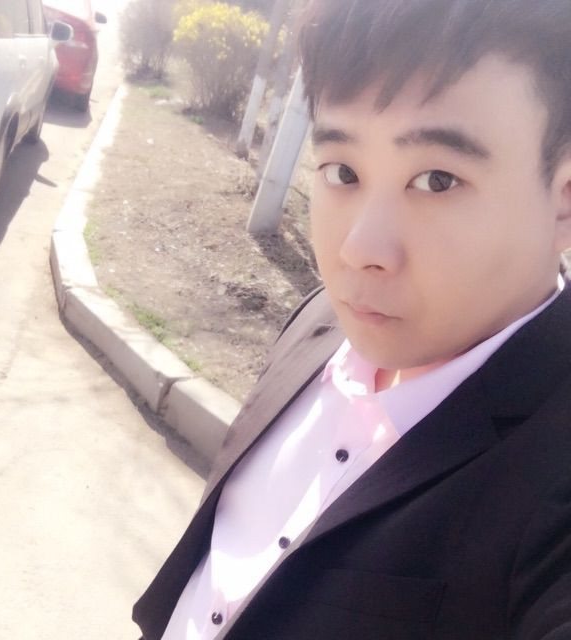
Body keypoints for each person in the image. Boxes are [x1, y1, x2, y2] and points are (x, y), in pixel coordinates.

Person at [133, 0, 571, 637]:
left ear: (564, 201)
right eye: (342, 172)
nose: (358, 250)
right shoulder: (322, 323)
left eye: (437, 180)